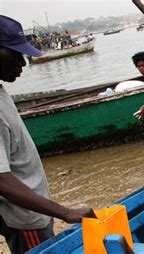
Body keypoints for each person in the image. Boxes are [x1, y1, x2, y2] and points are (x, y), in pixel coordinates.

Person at [0, 15, 96, 254]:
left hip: (33, 213)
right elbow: (1, 180)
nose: (23, 63)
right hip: (26, 220)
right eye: (15, 54)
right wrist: (65, 211)